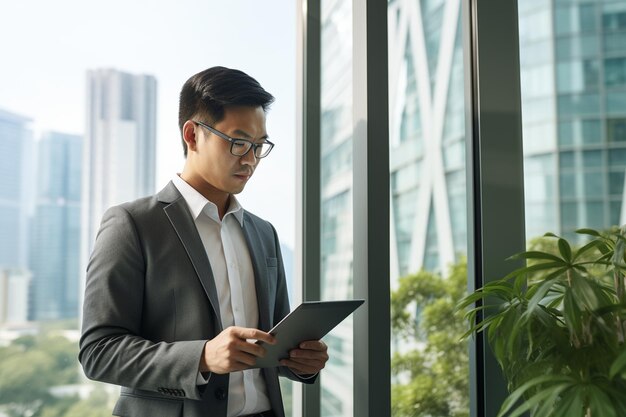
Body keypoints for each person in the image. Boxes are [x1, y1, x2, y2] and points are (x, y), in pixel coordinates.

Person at [79, 66, 329, 417]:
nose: (250, 159)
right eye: (239, 142)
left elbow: (274, 345)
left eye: (259, 146)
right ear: (193, 135)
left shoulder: (264, 233)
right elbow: (98, 351)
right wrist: (202, 357)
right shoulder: (132, 223)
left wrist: (302, 361)